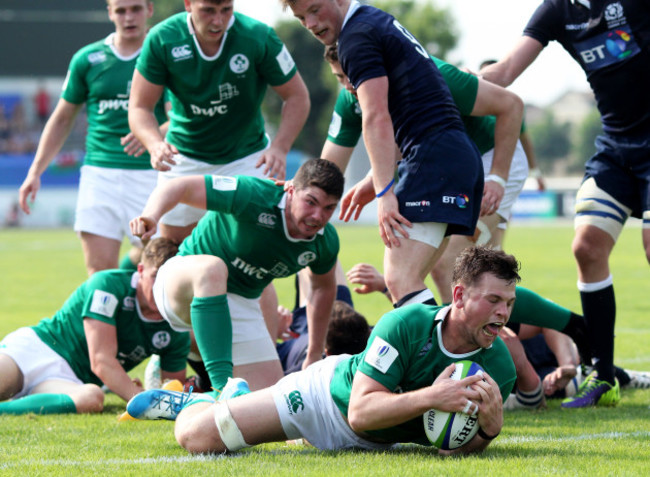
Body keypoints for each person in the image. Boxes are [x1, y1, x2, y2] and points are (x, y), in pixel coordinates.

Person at [134, 246, 519, 455]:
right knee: (202, 438)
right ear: (459, 296)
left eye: (509, 303)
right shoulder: (406, 324)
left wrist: (489, 431)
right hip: (325, 400)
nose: (503, 313)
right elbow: (361, 411)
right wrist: (435, 396)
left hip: (380, 440)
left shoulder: (499, 367)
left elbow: (452, 450)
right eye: (493, 300)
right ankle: (194, 403)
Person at [479, 0, 650, 408]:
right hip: (615, 149)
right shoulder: (556, 11)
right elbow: (502, 73)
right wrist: (435, 79)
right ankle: (603, 377)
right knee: (586, 247)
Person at [284, 0, 484, 309]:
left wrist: (385, 191)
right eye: (300, 18)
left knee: (400, 279)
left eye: (314, 9)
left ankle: (454, 354)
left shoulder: (355, 37)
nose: (310, 24)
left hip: (432, 160)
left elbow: (376, 117)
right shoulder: (372, 21)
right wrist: (375, 178)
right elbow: (404, 113)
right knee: (414, 280)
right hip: (451, 157)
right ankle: (455, 355)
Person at [129, 158, 343, 395]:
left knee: (270, 406)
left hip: (238, 305)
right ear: (291, 189)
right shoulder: (252, 194)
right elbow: (180, 187)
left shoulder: (325, 241)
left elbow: (323, 289)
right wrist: (151, 215)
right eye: (310, 202)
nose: (317, 216)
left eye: (328, 208)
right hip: (181, 283)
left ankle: (182, 402)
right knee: (213, 269)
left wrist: (313, 353)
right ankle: (222, 387)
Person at [128, 0, 310, 244]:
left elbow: (297, 96)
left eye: (226, 10)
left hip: (247, 158)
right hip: (184, 158)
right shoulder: (162, 38)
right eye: (208, 11)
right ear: (188, 4)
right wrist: (154, 145)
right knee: (172, 251)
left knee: (253, 252)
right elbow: (139, 107)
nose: (218, 20)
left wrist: (280, 147)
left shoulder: (258, 36)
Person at [18, 0, 167, 276]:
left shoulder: (164, 55)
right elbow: (62, 118)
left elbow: (180, 116)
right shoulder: (88, 59)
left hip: (151, 175)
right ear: (110, 13)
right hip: (100, 176)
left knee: (161, 269)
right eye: (121, 10)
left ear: (149, 10)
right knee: (99, 273)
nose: (128, 17)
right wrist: (34, 172)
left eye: (135, 9)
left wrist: (153, 134)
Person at [0, 238, 190, 415]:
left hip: (69, 381)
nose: (161, 287)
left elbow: (171, 391)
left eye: (169, 279)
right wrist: (140, 398)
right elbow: (101, 362)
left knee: (92, 398)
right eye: (156, 276)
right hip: (36, 350)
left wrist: (147, 393)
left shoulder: (177, 326)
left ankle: (7, 409)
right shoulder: (108, 285)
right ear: (140, 270)